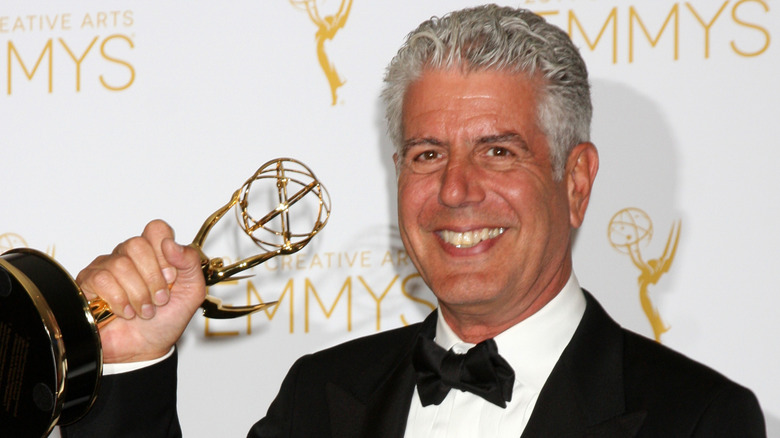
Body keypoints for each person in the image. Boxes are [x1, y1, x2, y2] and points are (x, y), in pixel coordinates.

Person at [62, 5, 765, 437]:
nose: (456, 189)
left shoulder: (698, 420)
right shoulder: (319, 396)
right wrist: (130, 361)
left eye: (498, 150)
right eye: (428, 154)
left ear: (575, 181)